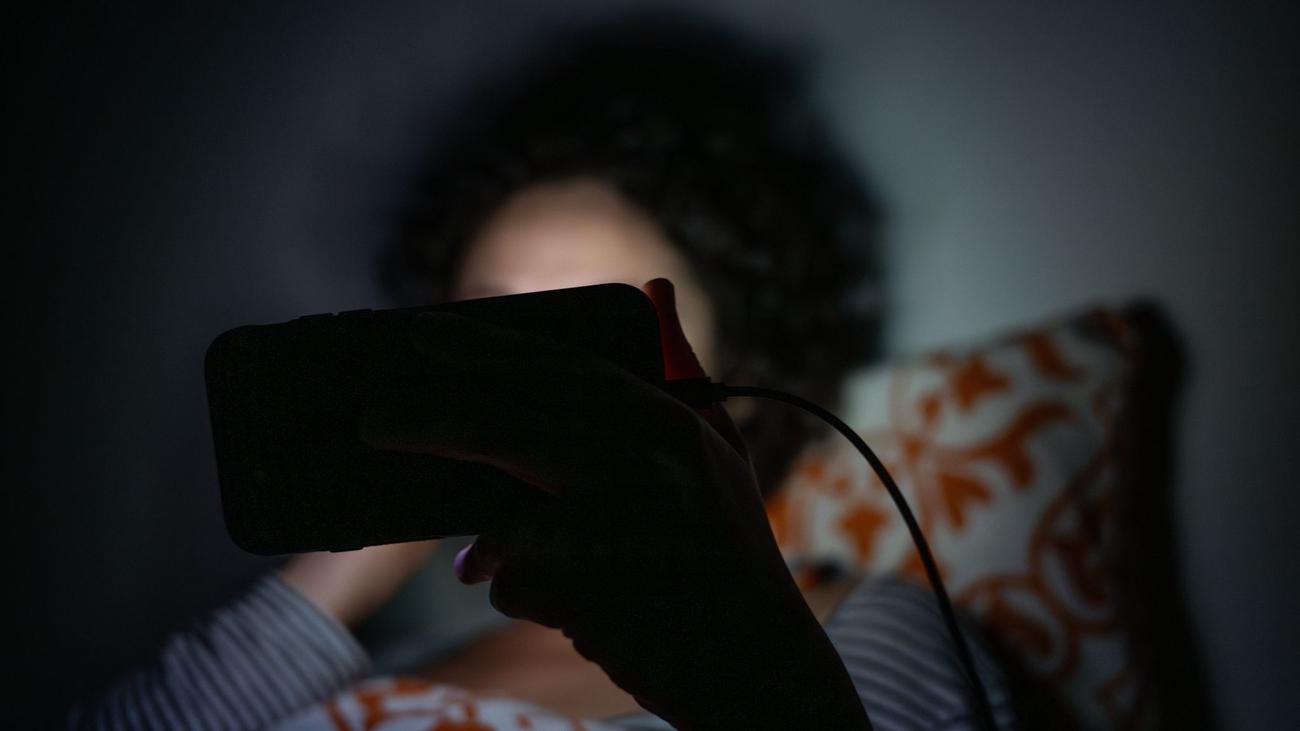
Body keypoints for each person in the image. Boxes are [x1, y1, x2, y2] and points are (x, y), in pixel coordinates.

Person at [64, 13, 1016, 731]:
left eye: (580, 331)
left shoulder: (858, 635)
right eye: (485, 322)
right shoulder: (365, 663)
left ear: (723, 370)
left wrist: (753, 678)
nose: (523, 381)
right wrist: (366, 522)